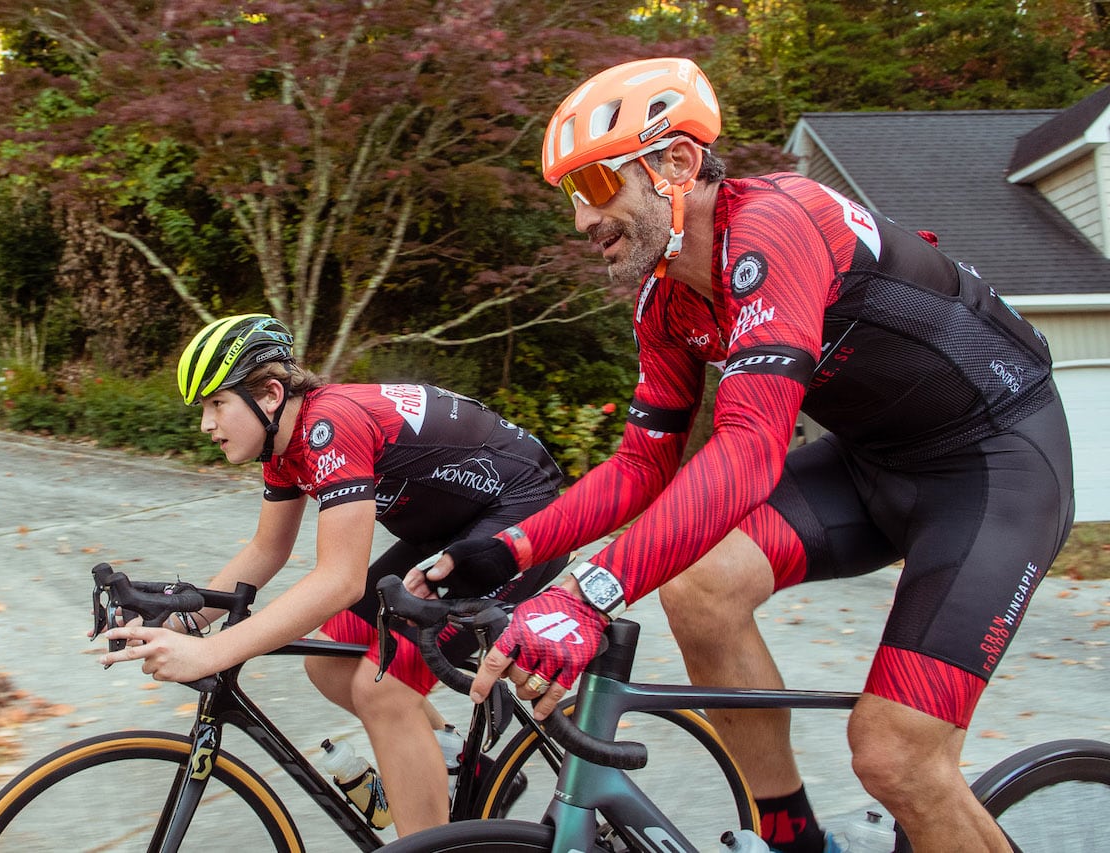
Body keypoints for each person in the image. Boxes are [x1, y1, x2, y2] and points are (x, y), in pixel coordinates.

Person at [410, 57, 1074, 852]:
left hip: (994, 465)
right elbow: (641, 466)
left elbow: (751, 449)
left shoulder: (776, 223)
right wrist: (507, 550)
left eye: (593, 188)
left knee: (897, 756)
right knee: (699, 587)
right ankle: (790, 835)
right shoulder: (666, 298)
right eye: (570, 198)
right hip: (870, 460)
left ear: (677, 165)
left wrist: (586, 598)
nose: (582, 222)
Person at [100, 313, 568, 835]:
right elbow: (265, 551)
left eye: (217, 404)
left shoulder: (331, 425)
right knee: (329, 661)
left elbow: (339, 579)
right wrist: (180, 623)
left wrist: (213, 651)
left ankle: (432, 842)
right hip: (446, 529)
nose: (206, 424)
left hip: (523, 516)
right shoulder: (284, 447)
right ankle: (457, 762)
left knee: (383, 691)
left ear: (271, 395)